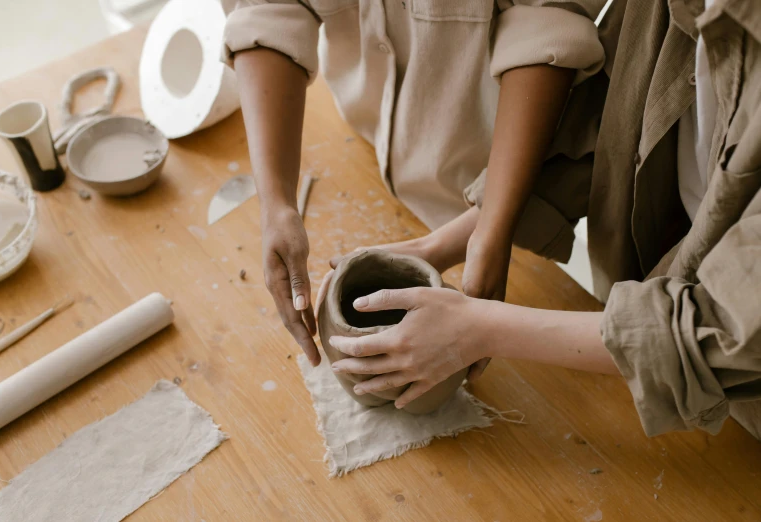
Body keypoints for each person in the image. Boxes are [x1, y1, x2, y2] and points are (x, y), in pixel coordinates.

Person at [324, 0, 761, 439]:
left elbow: (732, 331)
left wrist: (483, 329)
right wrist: (444, 244)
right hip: (634, 330)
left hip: (735, 405)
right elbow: (606, 116)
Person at [220, 0, 607, 376]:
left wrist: (492, 230)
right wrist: (277, 203)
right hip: (368, 139)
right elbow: (268, 9)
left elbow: (545, 26)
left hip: (493, 164)